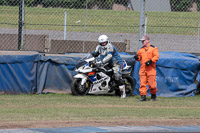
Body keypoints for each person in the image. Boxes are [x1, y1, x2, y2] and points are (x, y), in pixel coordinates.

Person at [134, 35, 159, 101]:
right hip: (143, 69)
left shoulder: (153, 48)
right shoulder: (141, 49)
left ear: (147, 40)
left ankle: (153, 96)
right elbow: (139, 57)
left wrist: (151, 61)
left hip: (151, 69)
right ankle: (143, 97)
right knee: (142, 83)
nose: (142, 42)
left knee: (152, 84)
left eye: (143, 41)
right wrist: (137, 58)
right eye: (142, 41)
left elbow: (156, 57)